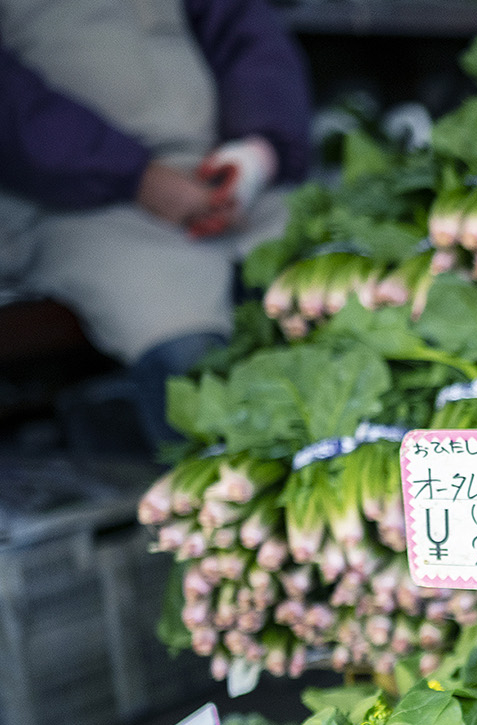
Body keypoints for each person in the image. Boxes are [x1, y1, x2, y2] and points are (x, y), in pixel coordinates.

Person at [0, 0, 313, 447]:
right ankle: (220, 503)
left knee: (336, 298)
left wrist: (260, 149)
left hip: (223, 174)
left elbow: (245, 29)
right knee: (190, 356)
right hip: (70, 200)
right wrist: (135, 176)